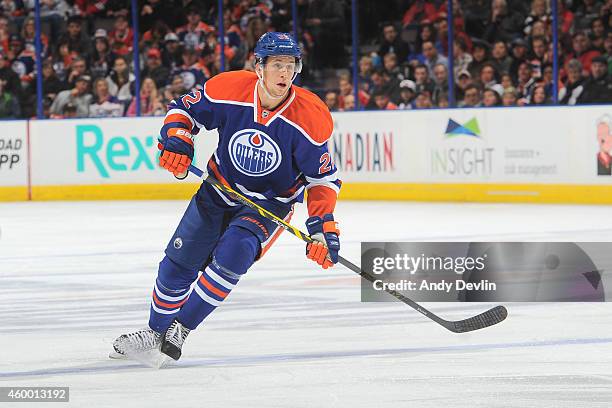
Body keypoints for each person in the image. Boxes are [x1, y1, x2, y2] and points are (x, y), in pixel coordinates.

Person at [111, 32, 342, 362]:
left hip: (269, 206)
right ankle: (155, 331)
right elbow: (183, 112)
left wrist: (322, 227)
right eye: (276, 64)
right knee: (177, 266)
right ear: (258, 67)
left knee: (235, 252)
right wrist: (178, 139)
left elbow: (322, 179)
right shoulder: (228, 88)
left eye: (290, 65)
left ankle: (182, 327)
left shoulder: (310, 116)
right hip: (218, 190)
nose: (284, 73)